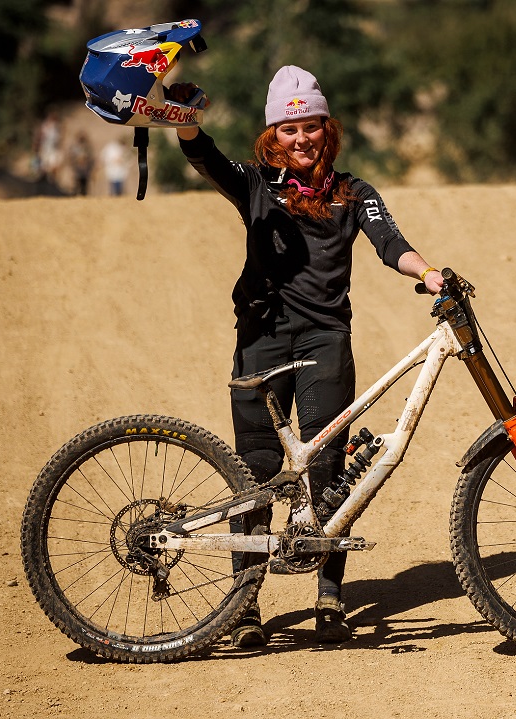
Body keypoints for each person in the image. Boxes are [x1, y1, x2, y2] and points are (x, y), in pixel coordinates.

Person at [172, 66, 444, 646]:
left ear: (328, 128)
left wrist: (426, 272)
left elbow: (389, 242)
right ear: (274, 136)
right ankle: (244, 603)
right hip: (262, 336)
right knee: (257, 470)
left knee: (326, 466)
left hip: (325, 340)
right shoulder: (255, 185)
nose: (302, 139)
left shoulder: (353, 193)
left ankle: (329, 593)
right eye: (289, 129)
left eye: (311, 126)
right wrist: (187, 125)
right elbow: (207, 160)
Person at [68, 131, 94, 196]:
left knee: (84, 186)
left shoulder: (87, 147)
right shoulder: (74, 147)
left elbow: (90, 157)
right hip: (77, 169)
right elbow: (71, 157)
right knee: (76, 185)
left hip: (85, 169)